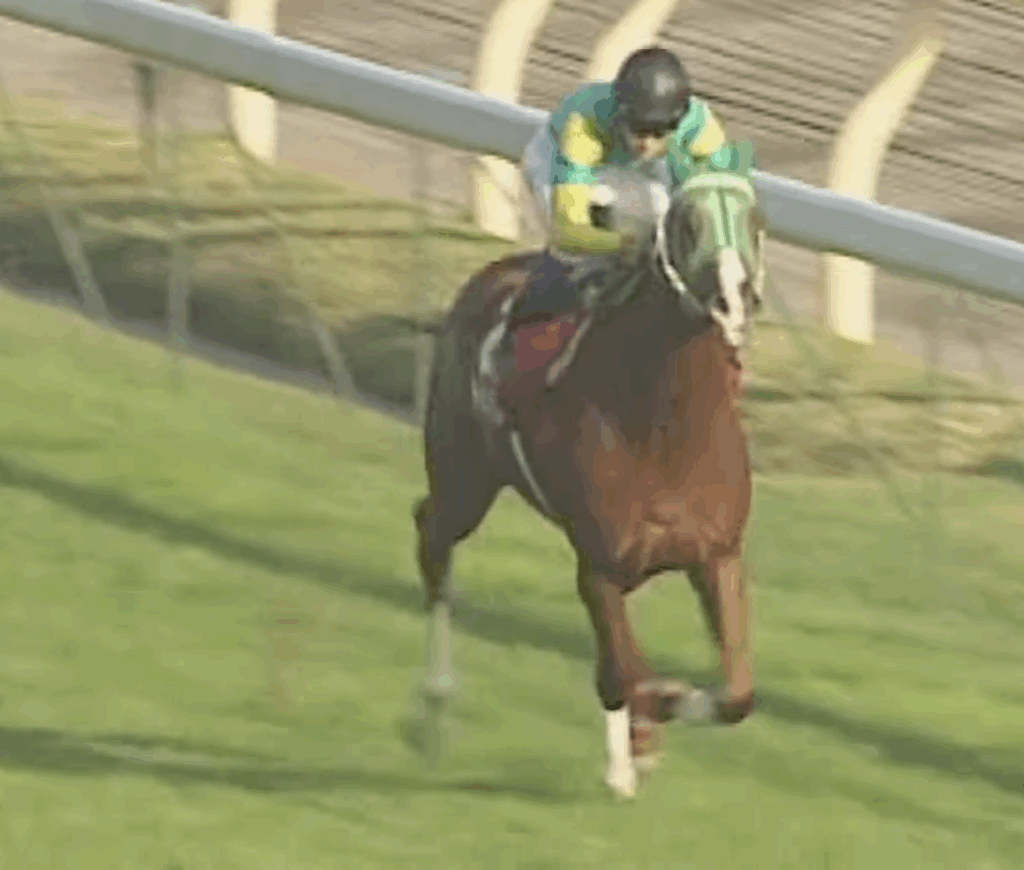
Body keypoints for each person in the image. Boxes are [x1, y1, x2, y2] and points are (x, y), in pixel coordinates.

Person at [497, 45, 757, 354]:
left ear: (679, 121)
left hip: (634, 166)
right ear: (621, 114)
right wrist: (625, 244)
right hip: (558, 160)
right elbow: (569, 231)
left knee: (667, 230)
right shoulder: (585, 125)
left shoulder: (701, 127)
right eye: (639, 128)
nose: (648, 141)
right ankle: (516, 329)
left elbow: (720, 203)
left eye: (660, 131)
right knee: (579, 256)